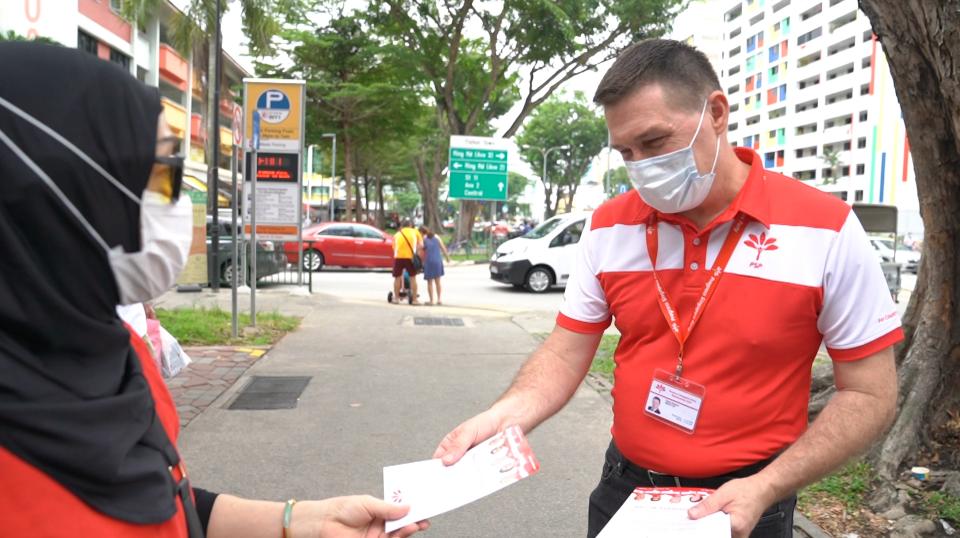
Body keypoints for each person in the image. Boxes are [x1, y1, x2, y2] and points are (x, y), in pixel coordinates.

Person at [433, 39, 900, 538]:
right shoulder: (610, 228)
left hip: (749, 500)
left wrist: (768, 485)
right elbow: (566, 353)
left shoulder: (824, 229)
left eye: (654, 143)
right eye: (625, 152)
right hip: (626, 490)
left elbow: (871, 393)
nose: (641, 167)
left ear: (715, 113)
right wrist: (503, 417)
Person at [0, 43, 427, 538]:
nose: (177, 201)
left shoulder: (117, 349)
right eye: (161, 172)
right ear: (67, 195)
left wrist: (300, 521)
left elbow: (166, 499)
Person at [392, 219, 423, 305]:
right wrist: (416, 251)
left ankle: (396, 298)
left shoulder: (397, 234)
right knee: (412, 277)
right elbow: (421, 245)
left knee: (397, 277)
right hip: (410, 257)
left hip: (398, 257)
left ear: (402, 226)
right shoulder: (415, 232)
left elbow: (394, 247)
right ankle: (414, 300)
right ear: (410, 225)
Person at [419, 226, 451, 305]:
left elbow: (421, 251)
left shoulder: (423, 239)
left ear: (422, 232)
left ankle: (431, 300)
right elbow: (443, 248)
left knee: (429, 282)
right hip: (437, 261)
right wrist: (447, 257)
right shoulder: (437, 237)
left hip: (429, 261)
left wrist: (420, 261)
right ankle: (439, 299)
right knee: (438, 281)